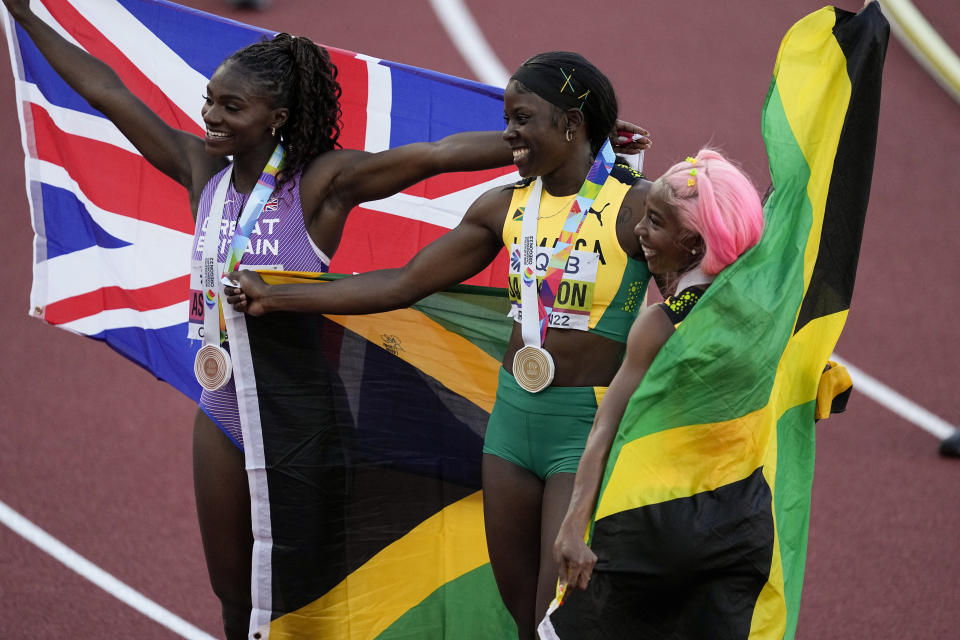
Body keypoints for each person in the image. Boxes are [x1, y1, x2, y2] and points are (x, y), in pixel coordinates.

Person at [2, 4, 652, 637]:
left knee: (303, 592)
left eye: (231, 106)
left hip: (299, 416)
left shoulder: (321, 186)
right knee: (234, 593)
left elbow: (436, 155)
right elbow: (107, 92)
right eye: (210, 101)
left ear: (276, 117)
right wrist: (27, 16)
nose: (211, 116)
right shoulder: (200, 170)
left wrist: (567, 143)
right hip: (221, 404)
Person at [226, 51, 653, 639]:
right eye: (508, 119)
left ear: (571, 124)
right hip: (511, 431)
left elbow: (709, 298)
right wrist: (276, 297)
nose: (509, 133)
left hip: (586, 428)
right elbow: (403, 283)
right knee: (522, 618)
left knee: (557, 614)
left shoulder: (637, 208)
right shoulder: (504, 207)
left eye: (522, 118)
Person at [546, 149, 764, 637]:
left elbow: (608, 425)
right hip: (741, 528)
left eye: (656, 222)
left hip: (652, 523)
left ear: (691, 244)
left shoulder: (661, 325)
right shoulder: (766, 322)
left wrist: (573, 524)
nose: (640, 232)